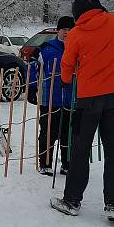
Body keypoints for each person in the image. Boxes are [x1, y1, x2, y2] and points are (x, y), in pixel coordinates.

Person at [50, 0, 114, 222]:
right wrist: (103, 10)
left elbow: (67, 63)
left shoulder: (76, 34)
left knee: (81, 150)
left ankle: (72, 200)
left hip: (89, 99)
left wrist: (65, 79)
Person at [36, 16, 75, 176]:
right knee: (48, 132)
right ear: (58, 30)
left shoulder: (78, 48)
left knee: (69, 133)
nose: (66, 32)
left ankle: (67, 163)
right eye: (64, 29)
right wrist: (32, 88)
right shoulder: (46, 48)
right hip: (50, 98)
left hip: (71, 98)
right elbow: (34, 68)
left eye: (70, 30)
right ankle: (45, 163)